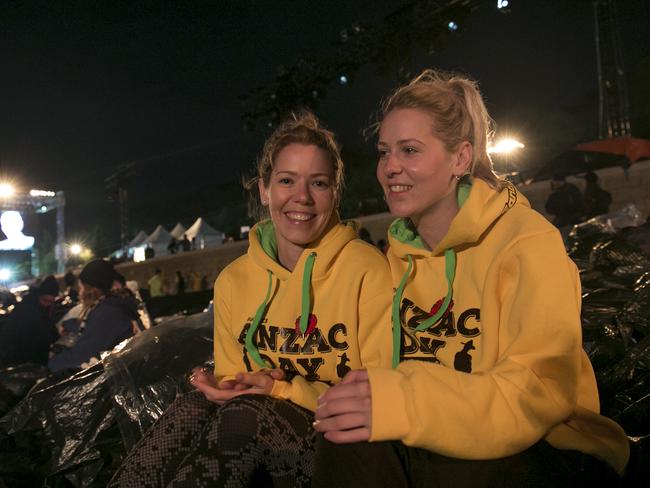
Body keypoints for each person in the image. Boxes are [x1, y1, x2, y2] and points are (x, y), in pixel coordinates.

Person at [312, 70, 629, 486]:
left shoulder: (526, 242)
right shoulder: (395, 260)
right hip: (432, 439)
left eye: (409, 150)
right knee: (343, 437)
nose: (390, 167)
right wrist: (274, 384)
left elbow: (536, 393)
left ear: (460, 159)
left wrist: (408, 401)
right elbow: (365, 371)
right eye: (384, 151)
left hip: (546, 446)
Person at [109, 111, 392, 487]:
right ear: (264, 189)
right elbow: (234, 375)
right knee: (192, 406)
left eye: (319, 183)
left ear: (335, 191)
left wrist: (281, 389)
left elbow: (378, 391)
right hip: (255, 426)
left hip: (340, 439)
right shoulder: (234, 280)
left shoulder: (367, 270)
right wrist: (223, 385)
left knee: (248, 413)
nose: (302, 197)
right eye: (287, 180)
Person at [48, 259, 143, 372]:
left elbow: (83, 356)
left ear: (90, 290)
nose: (79, 293)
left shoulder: (108, 313)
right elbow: (91, 328)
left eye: (81, 287)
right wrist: (68, 325)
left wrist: (52, 362)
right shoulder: (112, 306)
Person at [0, 275, 59, 367]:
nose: (47, 304)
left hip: (38, 360)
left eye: (50, 302)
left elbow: (49, 328)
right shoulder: (25, 309)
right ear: (39, 296)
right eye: (45, 300)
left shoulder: (46, 310)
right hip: (20, 359)